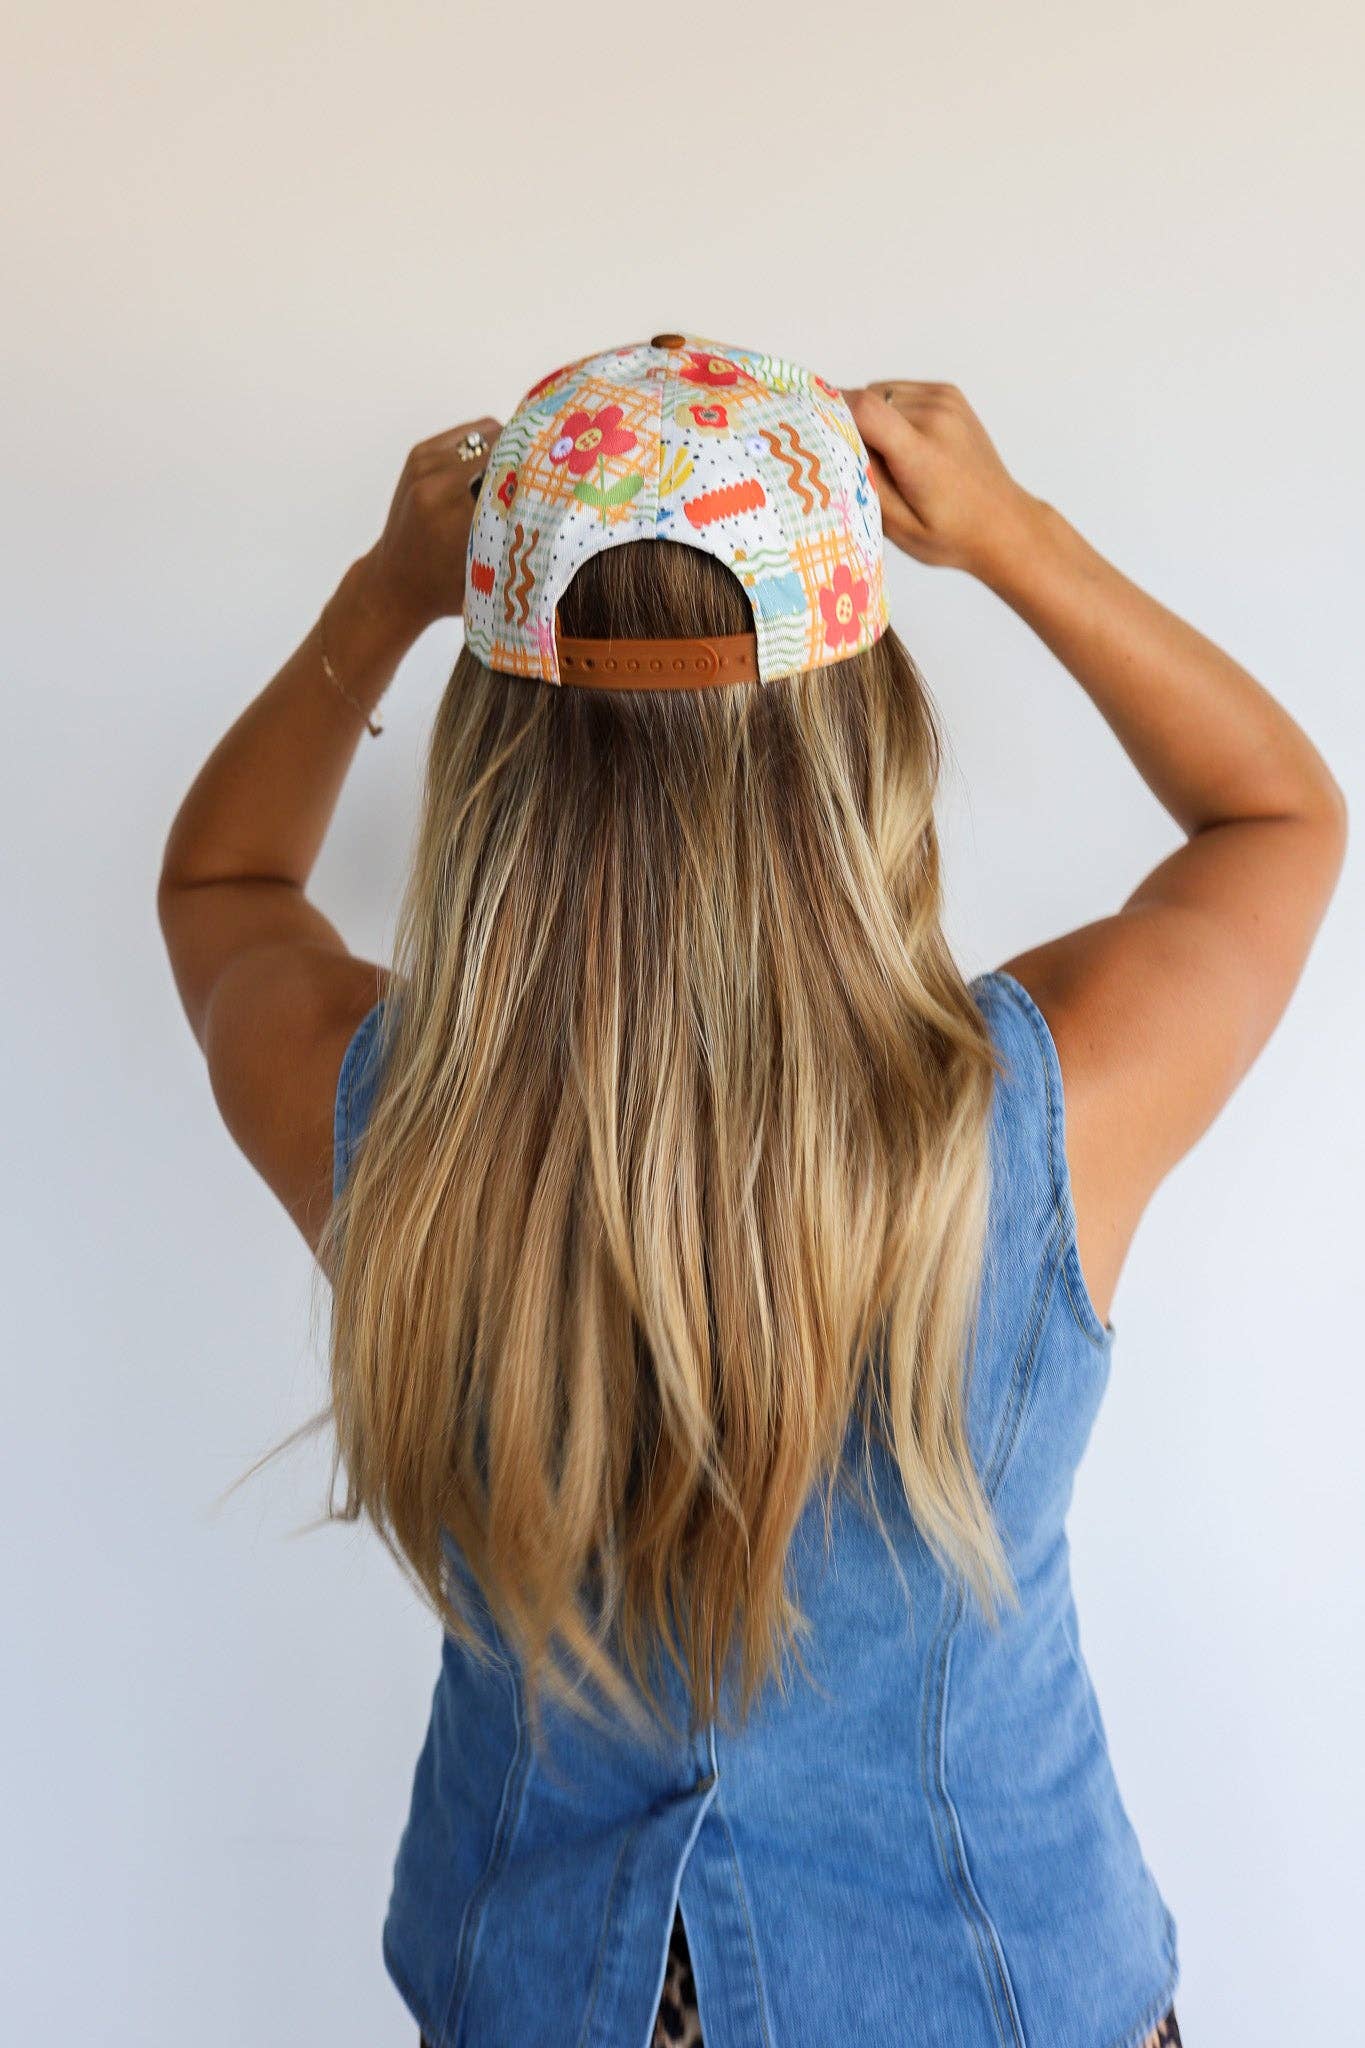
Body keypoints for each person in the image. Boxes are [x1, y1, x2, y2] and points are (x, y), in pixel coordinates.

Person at [157, 334, 1346, 2048]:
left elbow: (223, 875)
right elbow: (1274, 816)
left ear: (491, 770)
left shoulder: (387, 1131)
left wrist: (386, 592)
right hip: (1000, 1995)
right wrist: (1013, 533)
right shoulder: (1037, 1115)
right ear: (862, 736)